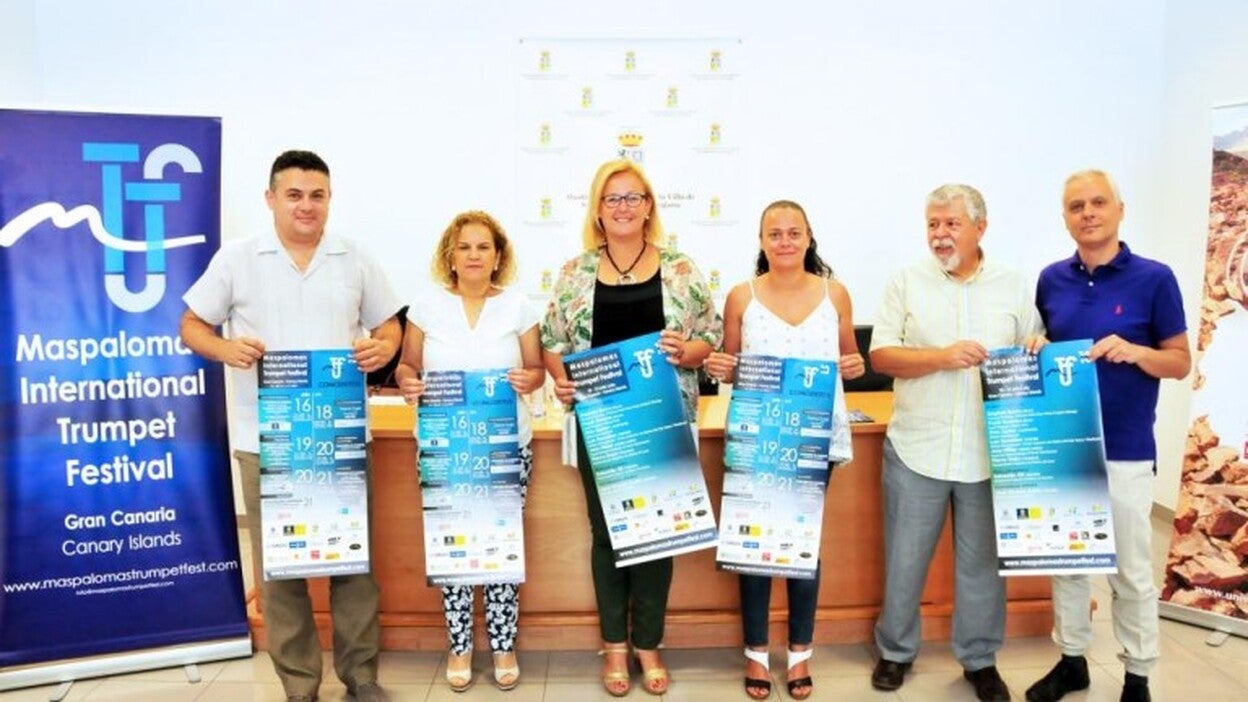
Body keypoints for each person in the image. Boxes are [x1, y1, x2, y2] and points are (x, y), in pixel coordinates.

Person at [180, 150, 399, 702]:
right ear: (271, 198)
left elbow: (390, 325)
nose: (307, 205)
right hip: (266, 441)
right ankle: (299, 685)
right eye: (295, 194)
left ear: (329, 199)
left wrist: (383, 348)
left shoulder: (354, 258)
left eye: (317, 195)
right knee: (281, 571)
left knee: (353, 563)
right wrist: (224, 347)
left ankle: (361, 677)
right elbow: (191, 325)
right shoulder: (238, 259)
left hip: (341, 436)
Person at [540, 159, 723, 696]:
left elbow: (710, 338)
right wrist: (562, 382)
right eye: (612, 198)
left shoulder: (682, 269)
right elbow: (553, 342)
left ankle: (648, 644)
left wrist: (686, 350)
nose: (622, 207)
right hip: (602, 425)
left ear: (649, 206)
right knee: (607, 537)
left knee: (657, 538)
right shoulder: (575, 272)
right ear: (597, 210)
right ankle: (614, 648)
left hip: (664, 421)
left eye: (632, 197)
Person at [868, 184, 1043, 702]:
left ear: (980, 228)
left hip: (990, 451)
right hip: (917, 445)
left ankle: (980, 659)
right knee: (905, 559)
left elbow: (1033, 348)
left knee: (983, 565)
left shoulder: (1013, 284)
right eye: (932, 225)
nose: (940, 235)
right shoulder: (906, 281)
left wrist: (1041, 345)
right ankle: (895, 652)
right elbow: (881, 356)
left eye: (951, 224)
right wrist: (941, 357)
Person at [1025, 170, 1190, 702]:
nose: (1088, 213)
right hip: (1065, 447)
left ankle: (1138, 674)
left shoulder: (1155, 278)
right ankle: (1072, 660)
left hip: (1124, 449)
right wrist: (1036, 342)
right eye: (1076, 206)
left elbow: (1180, 362)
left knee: (1132, 572)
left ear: (1120, 209)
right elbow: (1049, 347)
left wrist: (1139, 352)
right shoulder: (1051, 279)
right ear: (1065, 217)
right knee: (1068, 566)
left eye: (1098, 203)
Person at [704, 200, 865, 701]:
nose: (785, 241)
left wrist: (855, 366)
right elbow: (726, 362)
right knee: (754, 544)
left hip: (816, 434)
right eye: (774, 233)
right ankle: (755, 653)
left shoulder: (835, 293)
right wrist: (720, 367)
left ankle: (799, 655)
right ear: (761, 241)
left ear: (809, 237)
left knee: (803, 544)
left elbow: (847, 360)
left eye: (794, 232)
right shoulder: (740, 296)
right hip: (758, 436)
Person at [393, 210, 545, 692]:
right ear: (451, 256)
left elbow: (537, 369)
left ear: (498, 256)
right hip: (444, 446)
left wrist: (530, 378)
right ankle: (459, 644)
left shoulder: (520, 306)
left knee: (500, 546)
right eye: (465, 247)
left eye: (484, 247)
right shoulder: (426, 306)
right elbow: (407, 366)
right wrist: (407, 381)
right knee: (453, 546)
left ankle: (503, 644)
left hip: (505, 446)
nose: (474, 255)